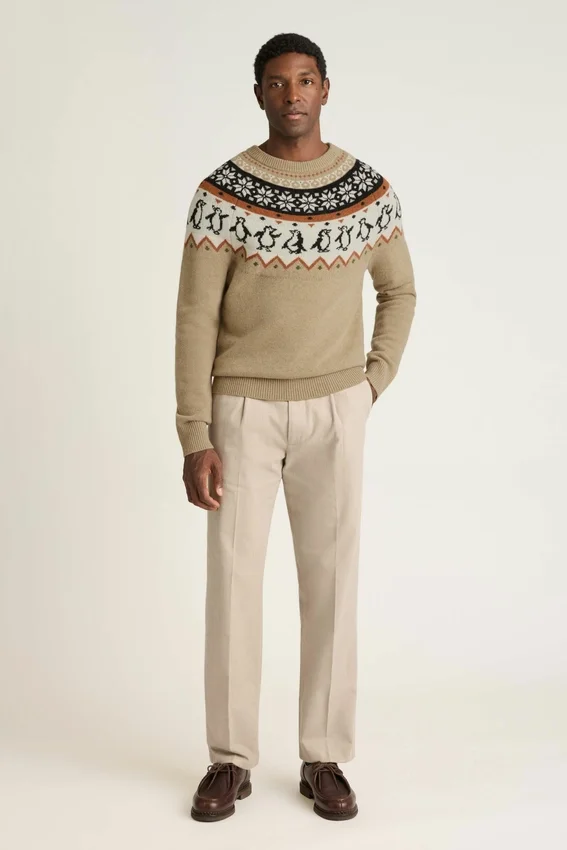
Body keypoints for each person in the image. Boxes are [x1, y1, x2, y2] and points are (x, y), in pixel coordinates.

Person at [175, 32, 416, 823]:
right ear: (258, 94)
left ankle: (323, 756)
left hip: (335, 409)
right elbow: (194, 316)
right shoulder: (222, 193)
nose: (292, 95)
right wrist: (194, 432)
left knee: (332, 582)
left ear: (325, 88)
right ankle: (229, 759)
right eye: (277, 83)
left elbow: (399, 290)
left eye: (305, 80)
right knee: (233, 584)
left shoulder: (366, 191)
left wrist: (370, 383)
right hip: (241, 412)